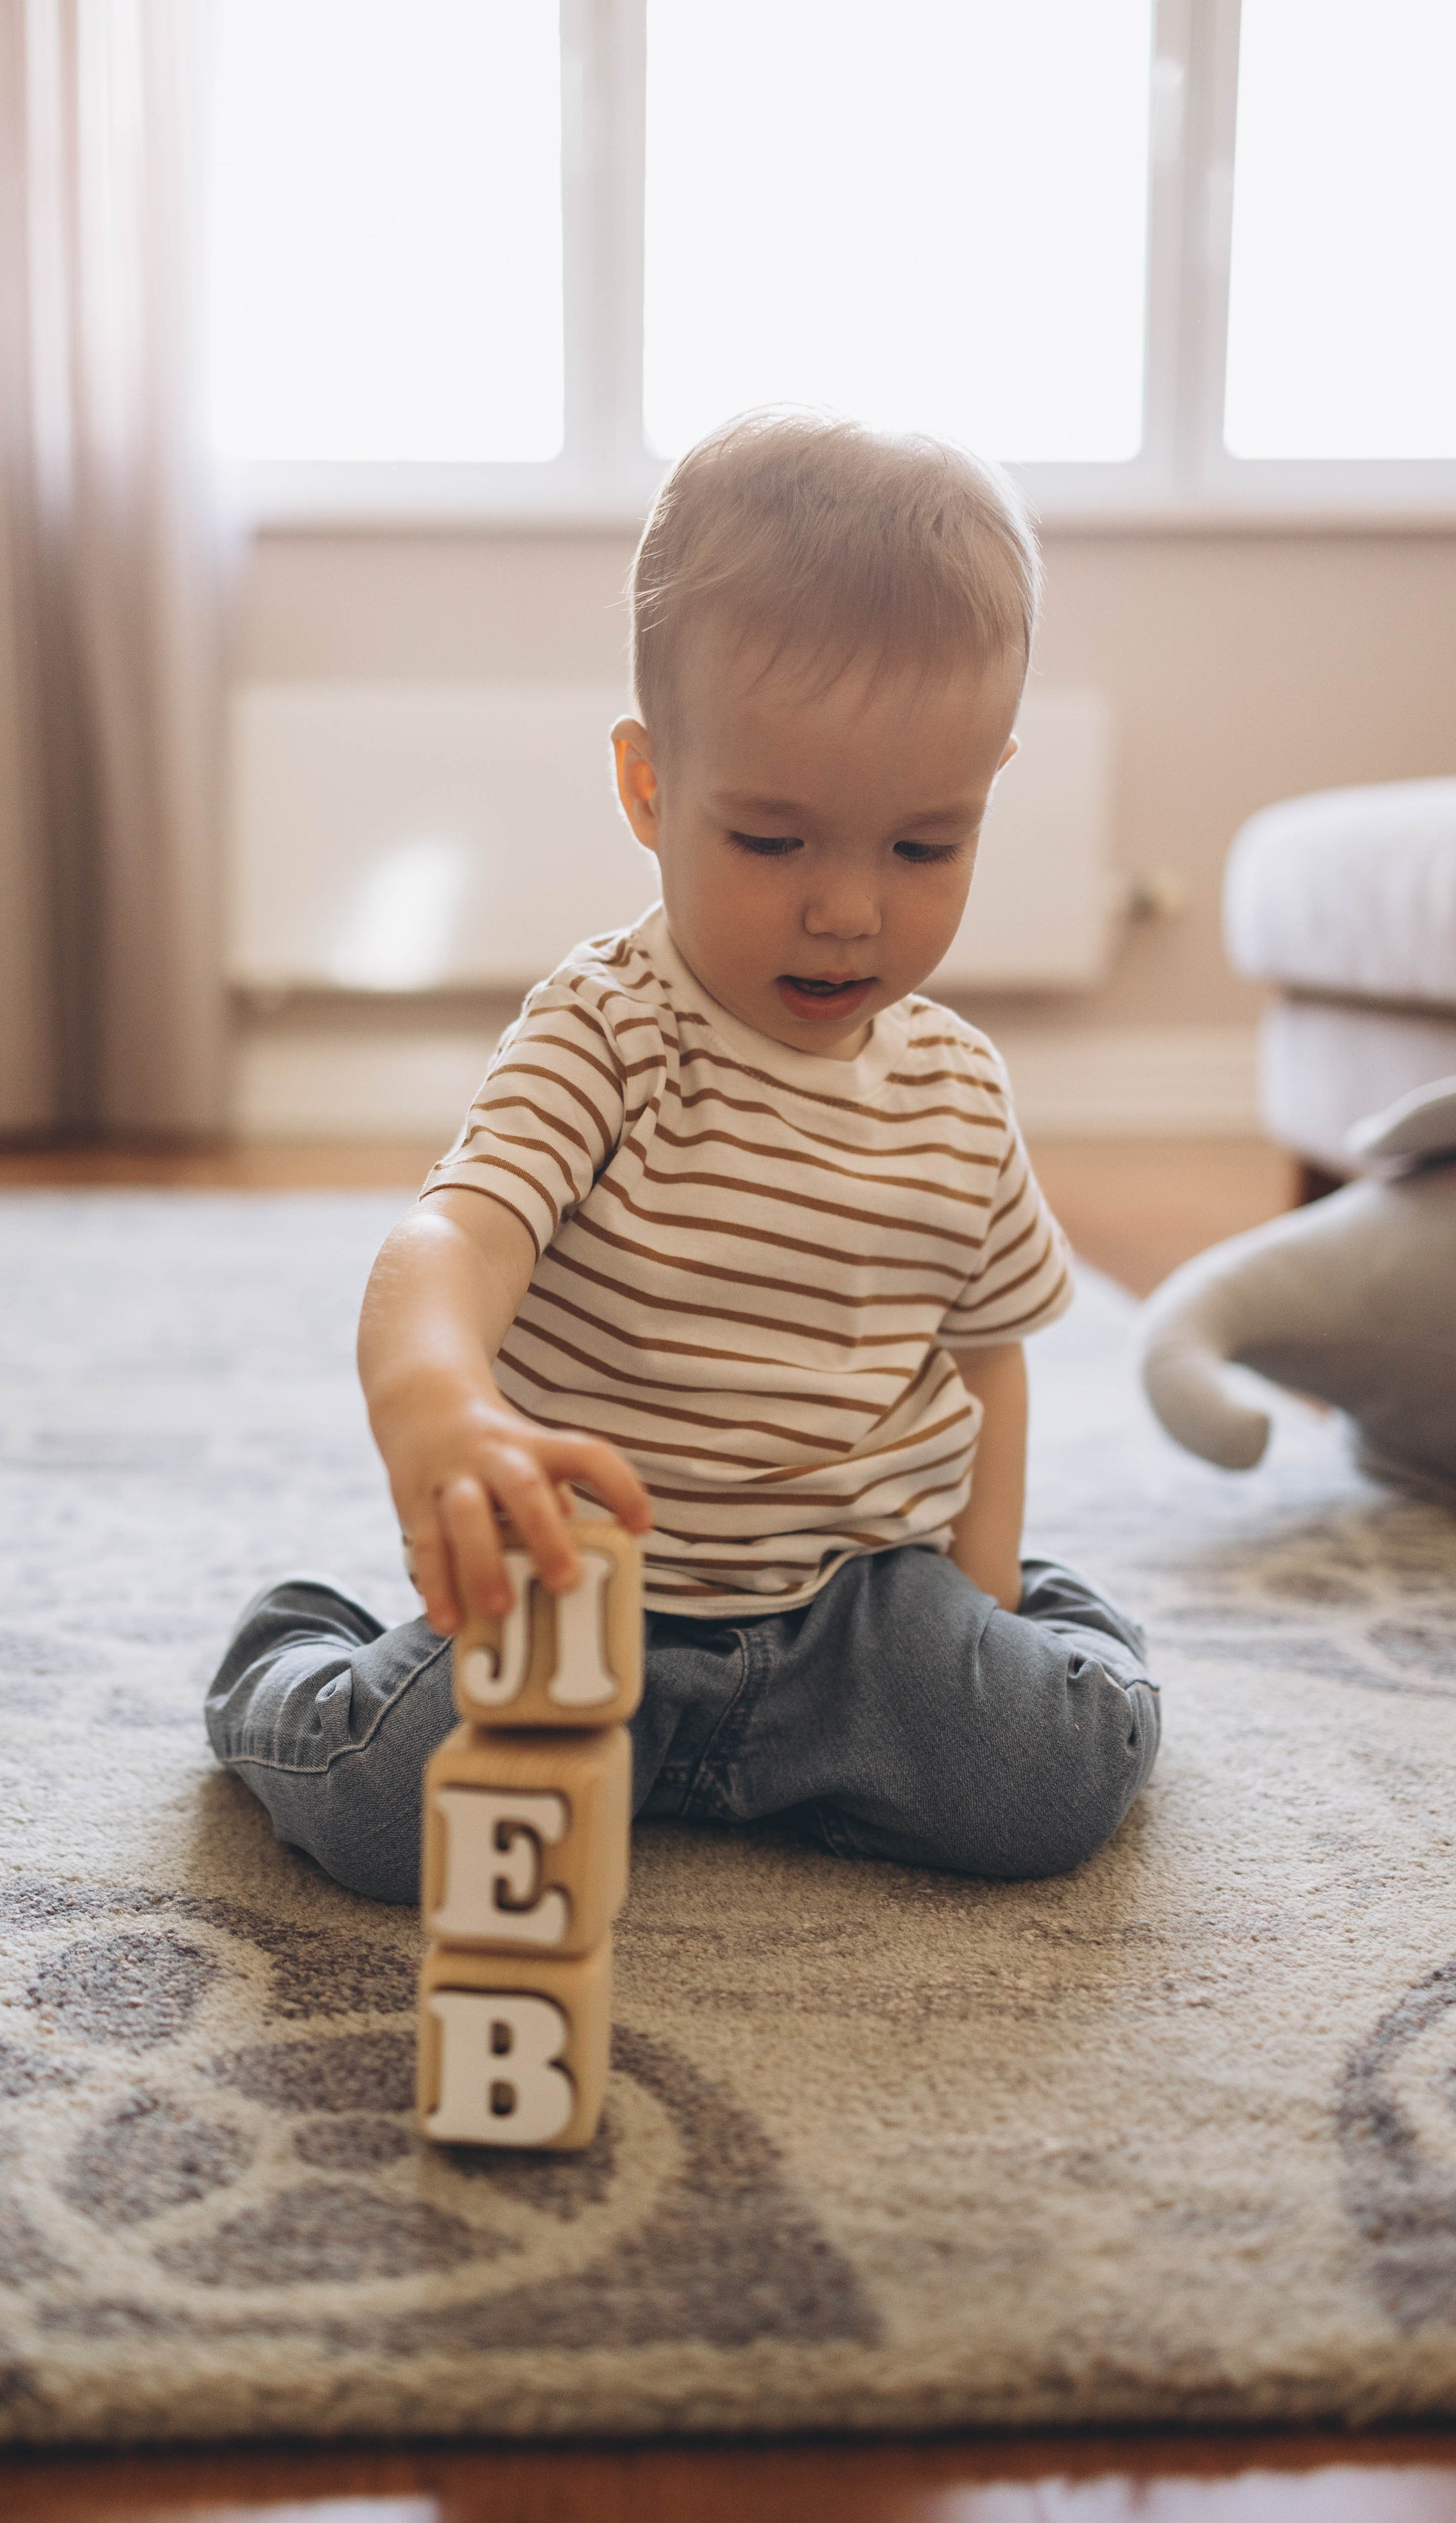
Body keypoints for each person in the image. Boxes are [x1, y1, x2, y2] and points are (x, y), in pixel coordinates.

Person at [206, 411, 1158, 1903]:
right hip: (590, 1603)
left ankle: (1043, 1626)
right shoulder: (604, 1034)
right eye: (771, 842)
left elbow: (986, 1362)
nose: (847, 910)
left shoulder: (959, 1092)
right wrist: (435, 1404)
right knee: (390, 1817)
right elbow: (449, 1245)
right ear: (650, 791)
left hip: (853, 1613)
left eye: (921, 848)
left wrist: (975, 1617)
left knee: (1046, 1786)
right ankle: (297, 1645)